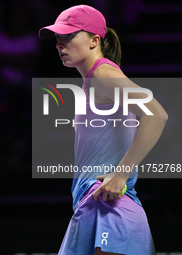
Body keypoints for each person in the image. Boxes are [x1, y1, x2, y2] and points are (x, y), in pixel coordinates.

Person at [38, 5, 168, 255]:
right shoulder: (94, 80)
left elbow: (156, 115)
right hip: (98, 202)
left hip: (109, 205)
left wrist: (121, 174)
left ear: (94, 40)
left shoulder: (104, 74)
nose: (59, 44)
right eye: (58, 38)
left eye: (69, 36)